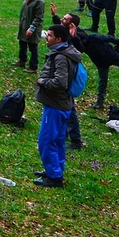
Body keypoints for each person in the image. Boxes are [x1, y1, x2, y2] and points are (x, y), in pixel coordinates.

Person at [54, 9, 119, 110]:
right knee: (102, 83)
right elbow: (79, 48)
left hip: (113, 57)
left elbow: (108, 38)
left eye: (65, 19)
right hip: (100, 63)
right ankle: (100, 103)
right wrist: (54, 15)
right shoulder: (73, 37)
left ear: (72, 24)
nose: (62, 19)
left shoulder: (92, 37)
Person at [33, 23, 82, 188]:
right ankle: (56, 170)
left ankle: (54, 177)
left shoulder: (61, 56)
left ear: (58, 39)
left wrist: (42, 81)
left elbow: (60, 81)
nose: (47, 37)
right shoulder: (67, 51)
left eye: (50, 35)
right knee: (58, 140)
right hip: (64, 105)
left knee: (46, 140)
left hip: (56, 105)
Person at [15, 0, 46, 72]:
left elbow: (38, 17)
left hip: (33, 28)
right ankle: (22, 60)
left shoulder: (39, 2)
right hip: (24, 25)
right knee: (22, 43)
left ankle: (33, 66)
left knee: (32, 47)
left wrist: (31, 29)